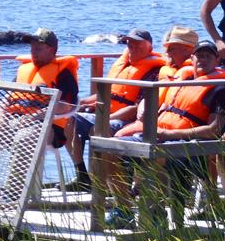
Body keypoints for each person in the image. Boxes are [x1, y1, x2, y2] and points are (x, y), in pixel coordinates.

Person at [107, 40, 225, 228]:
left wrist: (169, 134)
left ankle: (154, 212)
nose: (203, 59)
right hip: (157, 136)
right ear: (192, 59)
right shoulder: (185, 82)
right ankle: (124, 210)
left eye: (208, 56)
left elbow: (214, 130)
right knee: (107, 149)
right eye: (199, 55)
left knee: (151, 156)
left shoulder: (220, 88)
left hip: (190, 147)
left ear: (217, 60)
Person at [69, 28, 165, 190]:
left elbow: (136, 108)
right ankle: (82, 174)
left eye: (137, 43)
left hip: (126, 119)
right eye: (129, 43)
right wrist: (81, 103)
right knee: (69, 117)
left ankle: (103, 185)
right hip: (106, 112)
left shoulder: (153, 71)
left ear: (149, 47)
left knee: (97, 129)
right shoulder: (124, 66)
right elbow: (111, 92)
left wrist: (107, 117)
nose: (132, 47)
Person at [11, 27, 79, 149]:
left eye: (38, 49)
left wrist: (33, 117)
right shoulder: (24, 70)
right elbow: (9, 96)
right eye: (32, 48)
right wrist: (0, 117)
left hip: (49, 126)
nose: (33, 52)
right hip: (17, 120)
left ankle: (22, 169)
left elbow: (66, 105)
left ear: (51, 50)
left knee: (24, 138)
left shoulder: (63, 74)